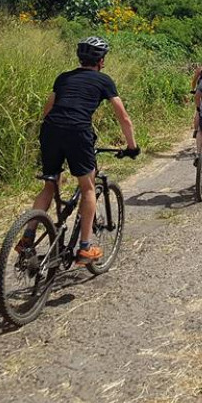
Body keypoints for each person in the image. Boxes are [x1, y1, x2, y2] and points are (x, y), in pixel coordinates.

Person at [17, 36, 139, 265]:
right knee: (88, 188)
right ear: (101, 61)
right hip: (77, 131)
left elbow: (48, 109)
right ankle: (85, 246)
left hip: (51, 129)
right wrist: (132, 146)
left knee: (50, 184)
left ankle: (27, 236)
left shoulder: (63, 78)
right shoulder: (104, 80)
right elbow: (123, 117)